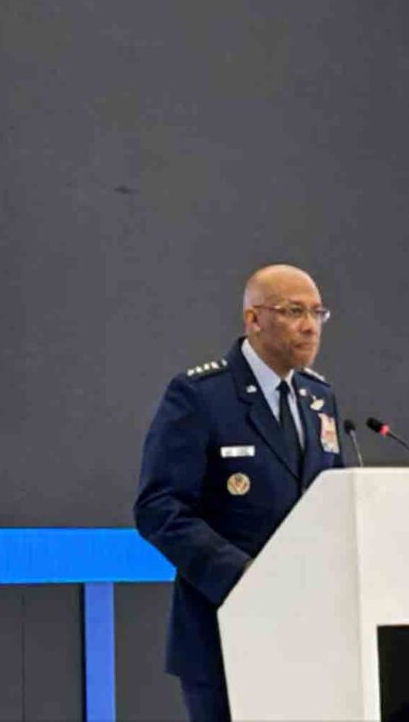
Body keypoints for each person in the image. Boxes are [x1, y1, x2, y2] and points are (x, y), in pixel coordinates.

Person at [134, 264, 345, 722]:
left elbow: (335, 503)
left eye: (317, 313)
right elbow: (159, 507)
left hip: (311, 636)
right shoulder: (200, 395)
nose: (310, 326)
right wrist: (248, 578)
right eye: (294, 312)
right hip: (223, 631)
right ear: (253, 319)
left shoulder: (318, 398)